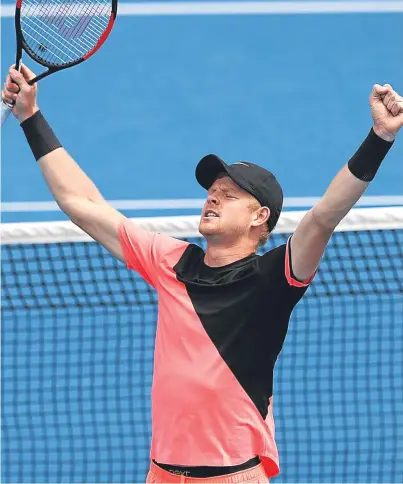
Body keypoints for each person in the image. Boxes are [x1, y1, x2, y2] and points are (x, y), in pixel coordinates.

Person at [2, 65, 402, 484]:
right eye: (211, 192)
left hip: (232, 477)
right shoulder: (171, 261)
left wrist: (381, 137)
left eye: (229, 196)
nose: (212, 198)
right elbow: (81, 203)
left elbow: (323, 218)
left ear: (259, 217)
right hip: (160, 475)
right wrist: (31, 118)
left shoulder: (274, 278)